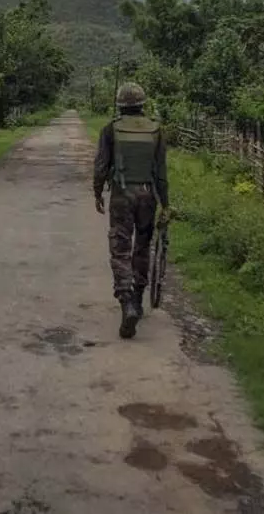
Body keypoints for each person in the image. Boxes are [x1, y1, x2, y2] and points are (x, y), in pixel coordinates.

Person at [93, 82, 170, 339]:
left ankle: (126, 302)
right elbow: (161, 173)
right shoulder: (157, 130)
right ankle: (138, 297)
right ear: (142, 104)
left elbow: (101, 166)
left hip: (122, 196)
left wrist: (97, 192)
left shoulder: (110, 129)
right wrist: (166, 204)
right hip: (149, 196)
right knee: (142, 246)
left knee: (120, 247)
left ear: (120, 105)